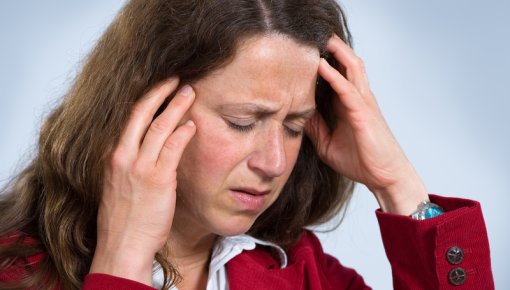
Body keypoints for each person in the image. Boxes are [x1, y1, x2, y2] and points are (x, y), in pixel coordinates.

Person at [0, 0, 494, 289]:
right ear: (146, 108)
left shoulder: (301, 271)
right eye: (242, 121)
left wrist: (398, 185)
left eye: (295, 127)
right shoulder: (13, 264)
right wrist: (122, 262)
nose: (274, 162)